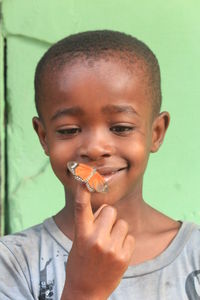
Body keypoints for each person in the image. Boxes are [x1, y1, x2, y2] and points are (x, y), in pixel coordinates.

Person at [0, 30, 199, 300]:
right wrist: (83, 291)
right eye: (69, 130)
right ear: (44, 137)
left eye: (120, 127)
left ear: (156, 132)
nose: (95, 148)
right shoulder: (11, 263)